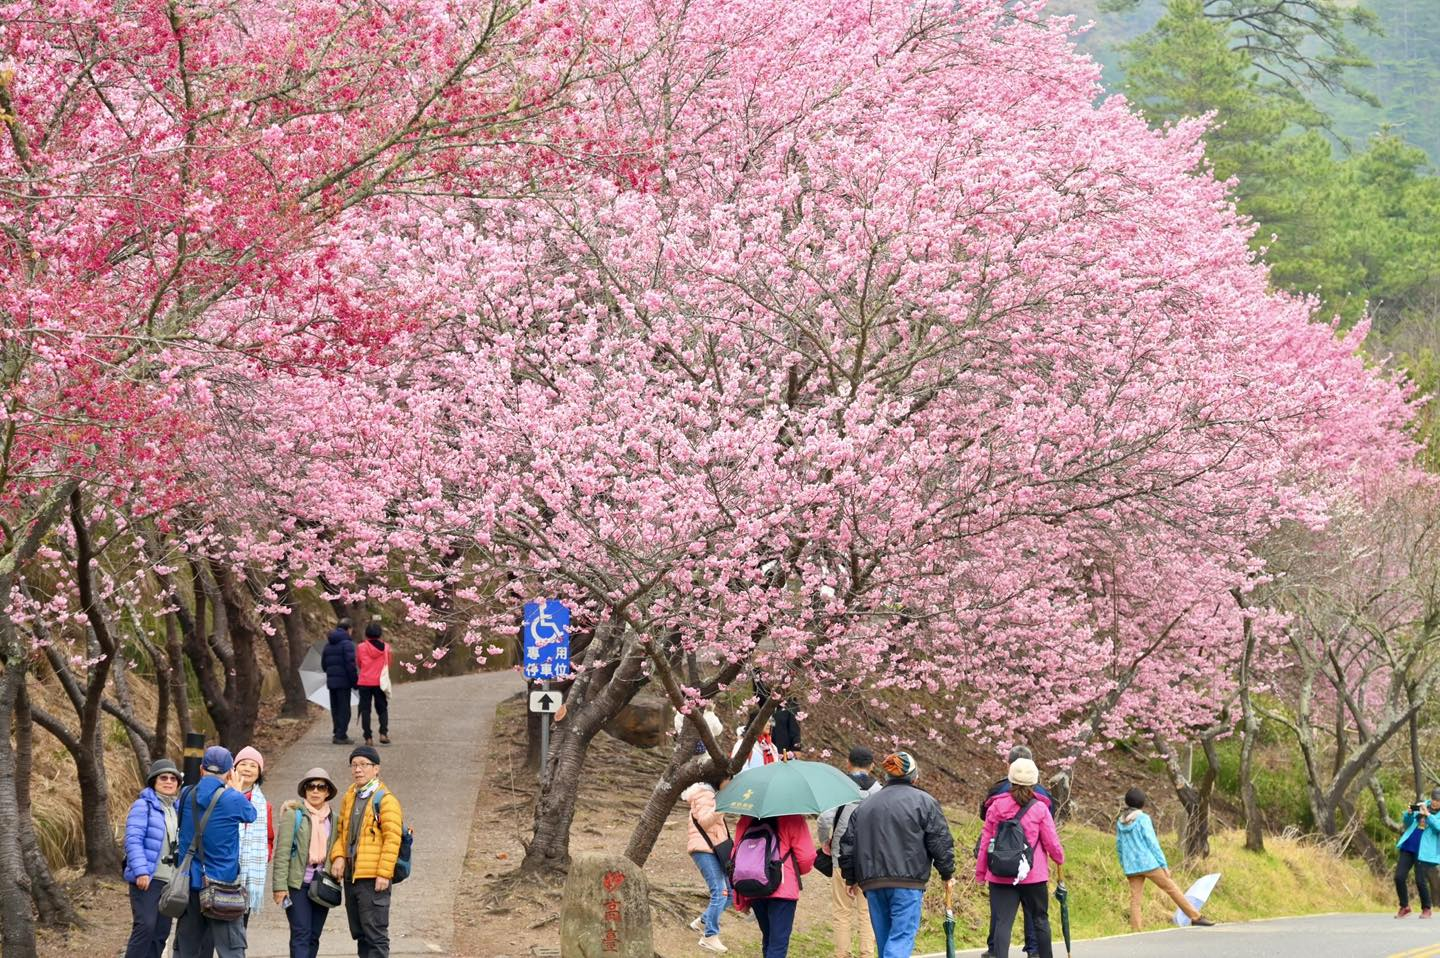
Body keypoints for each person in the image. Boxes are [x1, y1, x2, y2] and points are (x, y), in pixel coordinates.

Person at [839, 751, 954, 958]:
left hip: (873, 882)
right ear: (914, 777)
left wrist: (850, 877)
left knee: (885, 942)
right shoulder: (924, 802)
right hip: (907, 881)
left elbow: (848, 843)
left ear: (887, 776)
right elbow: (939, 840)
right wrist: (947, 873)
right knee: (901, 937)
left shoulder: (866, 805)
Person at [174, 746, 258, 958]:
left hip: (189, 883)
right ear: (230, 772)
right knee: (231, 950)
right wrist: (236, 791)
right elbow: (251, 815)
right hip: (222, 886)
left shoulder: (186, 794)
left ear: (201, 769)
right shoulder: (233, 799)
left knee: (186, 950)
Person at [975, 758, 1063, 958]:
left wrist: (981, 873)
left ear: (1010, 778)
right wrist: (1059, 858)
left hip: (1000, 874)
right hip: (1033, 875)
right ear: (1035, 781)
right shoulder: (1040, 808)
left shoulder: (996, 806)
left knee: (1002, 923)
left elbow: (986, 842)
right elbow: (1051, 842)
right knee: (1040, 920)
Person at [329, 745, 404, 958]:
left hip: (373, 878)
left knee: (376, 935)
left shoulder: (385, 800)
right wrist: (338, 856)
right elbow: (342, 832)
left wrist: (384, 873)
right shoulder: (350, 796)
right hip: (352, 877)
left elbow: (393, 839)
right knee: (361, 934)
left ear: (376, 768)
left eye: (364, 764)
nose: (358, 769)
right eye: (354, 765)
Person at [1114, 787, 1215, 930]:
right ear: (1142, 803)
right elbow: (1152, 843)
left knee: (1135, 899)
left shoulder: (1120, 821)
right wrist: (1163, 865)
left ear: (1127, 801)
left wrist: (1124, 864)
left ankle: (1136, 930)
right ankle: (1195, 917)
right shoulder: (1143, 819)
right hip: (1148, 864)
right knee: (1172, 888)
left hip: (1131, 866)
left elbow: (1119, 845)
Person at [817, 746, 882, 958]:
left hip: (841, 856)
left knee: (842, 911)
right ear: (872, 766)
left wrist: (825, 841)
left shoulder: (840, 786)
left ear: (848, 763)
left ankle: (842, 954)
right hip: (870, 860)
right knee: (867, 911)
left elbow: (824, 819)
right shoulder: (880, 791)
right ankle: (867, 954)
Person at [273, 767, 338, 958]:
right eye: (311, 786)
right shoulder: (293, 814)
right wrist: (279, 887)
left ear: (327, 792)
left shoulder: (335, 819)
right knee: (301, 933)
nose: (315, 791)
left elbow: (338, 849)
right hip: (297, 885)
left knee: (314, 936)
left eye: (321, 787)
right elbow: (282, 852)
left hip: (322, 885)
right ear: (304, 790)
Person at [732, 812, 816, 958]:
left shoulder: (746, 819)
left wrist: (740, 898)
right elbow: (806, 857)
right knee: (778, 944)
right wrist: (793, 871)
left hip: (754, 885)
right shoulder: (793, 818)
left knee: (768, 938)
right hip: (783, 888)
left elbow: (736, 856)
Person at [123, 758, 182, 958]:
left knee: (160, 933)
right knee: (145, 927)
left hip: (169, 881)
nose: (169, 782)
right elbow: (133, 840)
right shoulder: (143, 806)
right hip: (148, 879)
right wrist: (141, 871)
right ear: (154, 781)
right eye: (163, 778)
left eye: (173, 778)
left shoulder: (176, 809)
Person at [682, 772, 733, 954]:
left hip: (714, 849)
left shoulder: (712, 795)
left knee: (730, 894)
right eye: (729, 779)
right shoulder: (704, 794)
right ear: (719, 778)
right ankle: (709, 936)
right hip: (704, 849)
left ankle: (702, 921)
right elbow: (705, 821)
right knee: (720, 892)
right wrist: (722, 805)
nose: (730, 783)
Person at [232, 746, 274, 923]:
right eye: (243, 764)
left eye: (253, 765)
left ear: (259, 773)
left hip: (250, 874)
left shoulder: (263, 805)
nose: (247, 769)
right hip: (222, 869)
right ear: (234, 768)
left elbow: (269, 837)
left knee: (240, 926)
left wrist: (264, 854)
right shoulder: (222, 795)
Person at [1395, 789, 1440, 918]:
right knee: (1399, 877)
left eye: (1438, 801)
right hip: (1409, 846)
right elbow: (1407, 822)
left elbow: (1438, 827)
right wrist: (1409, 814)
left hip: (1424, 851)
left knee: (1420, 880)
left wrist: (1428, 815)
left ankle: (1426, 908)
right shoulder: (1422, 805)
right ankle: (1405, 906)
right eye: (1434, 799)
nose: (1435, 802)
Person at [323, 617, 359, 744]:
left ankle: (337, 732)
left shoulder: (328, 644)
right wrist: (355, 682)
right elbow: (350, 665)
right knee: (344, 710)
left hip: (332, 682)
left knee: (336, 709)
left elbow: (324, 665)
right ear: (348, 629)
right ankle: (340, 735)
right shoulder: (347, 644)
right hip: (344, 682)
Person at [356, 622, 392, 747]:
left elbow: (359, 663)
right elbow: (389, 664)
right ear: (380, 633)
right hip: (380, 682)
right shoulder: (386, 647)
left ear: (366, 634)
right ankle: (383, 733)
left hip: (365, 681)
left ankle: (368, 737)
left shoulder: (361, 647)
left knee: (365, 709)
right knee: (382, 708)